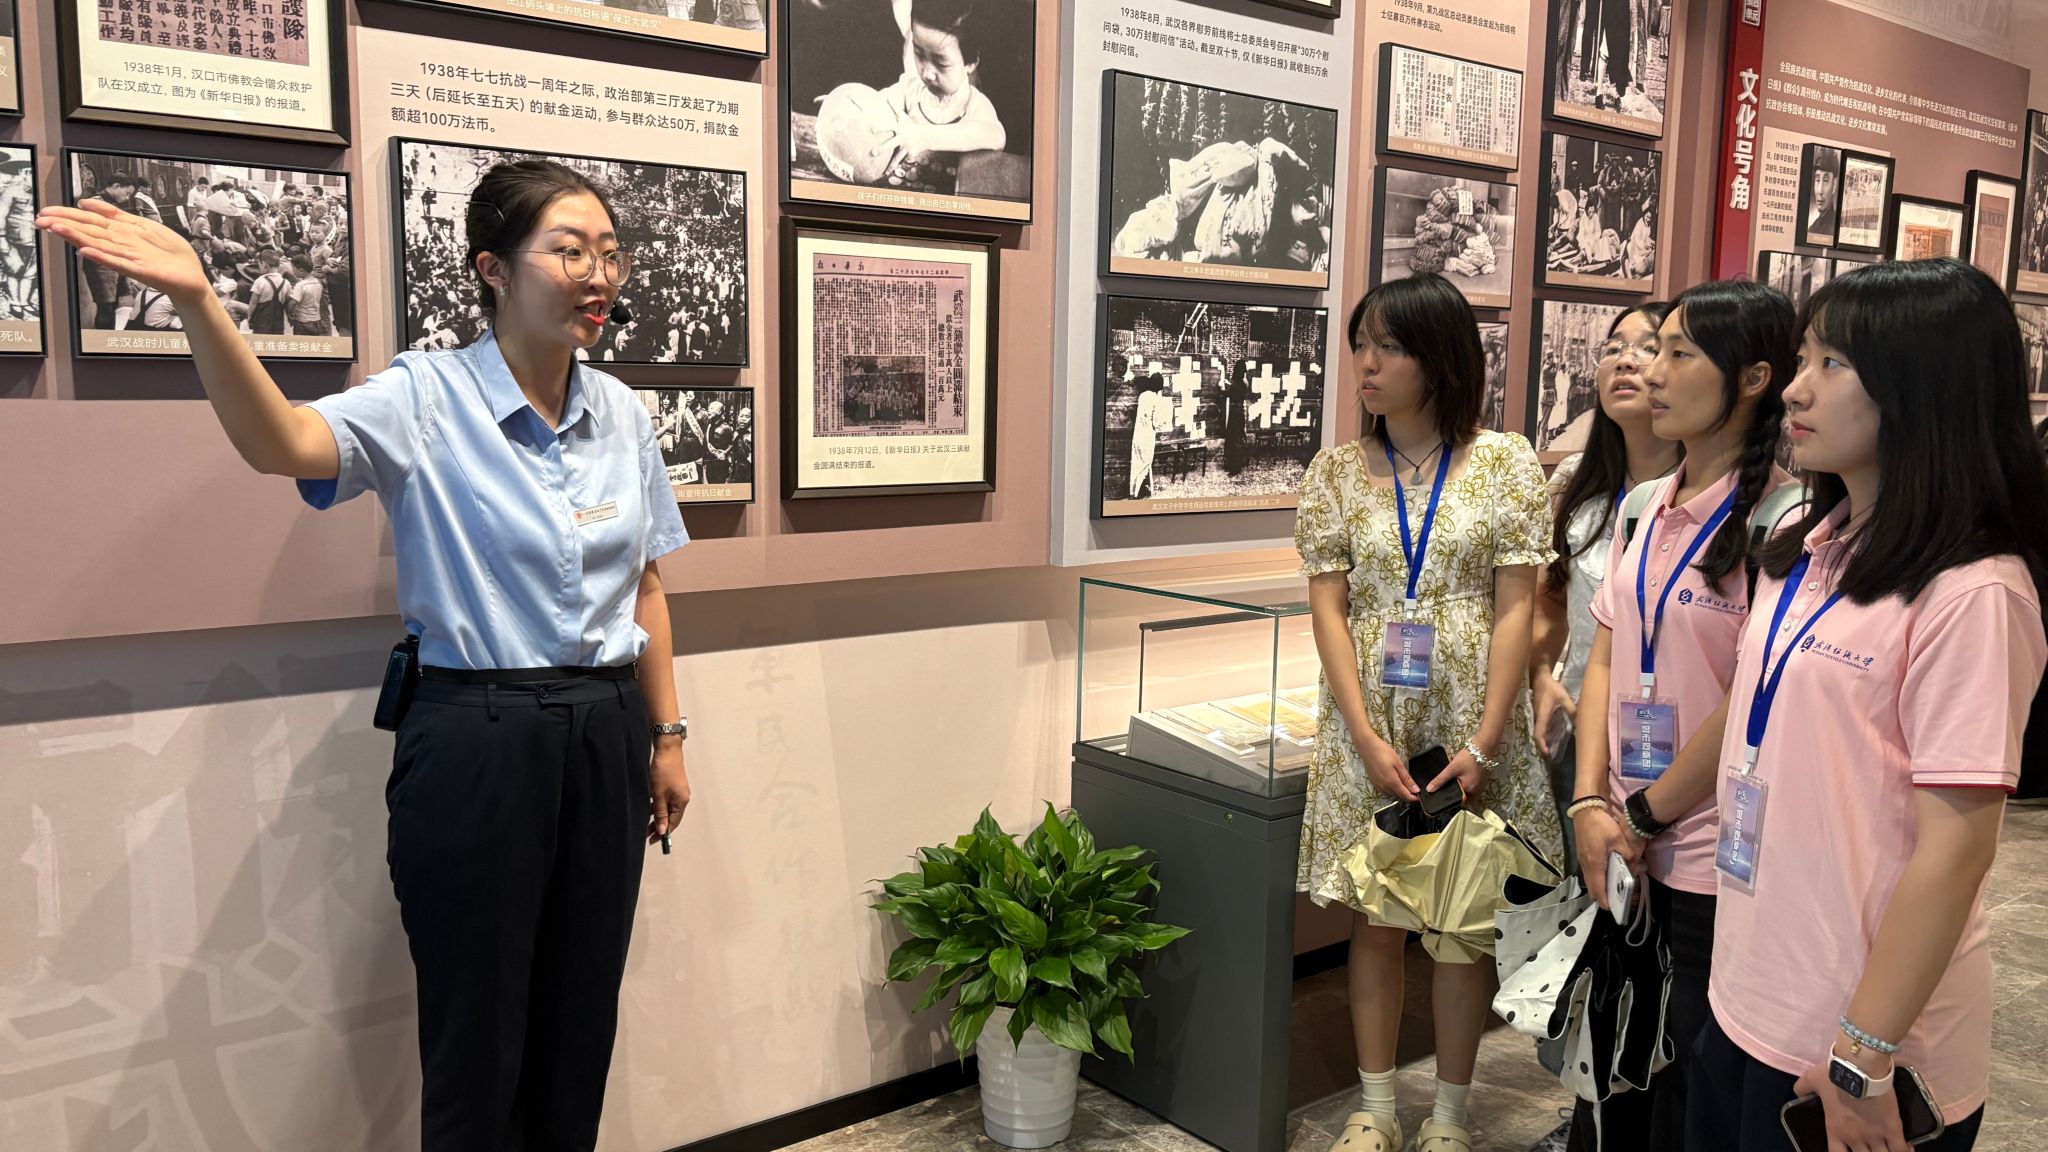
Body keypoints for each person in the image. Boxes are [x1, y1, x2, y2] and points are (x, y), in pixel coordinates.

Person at [37, 158, 694, 1152]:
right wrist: (200, 303)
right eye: (569, 251)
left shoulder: (621, 413)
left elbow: (645, 585)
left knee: (579, 1023)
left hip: (606, 729)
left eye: (610, 253)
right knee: (478, 1038)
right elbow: (284, 444)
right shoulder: (424, 395)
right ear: (493, 269)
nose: (598, 274)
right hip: (478, 738)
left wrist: (667, 736)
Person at [1689, 259, 2048, 1150]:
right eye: (1802, 359)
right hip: (1748, 995)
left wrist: (1862, 1055)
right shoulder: (1804, 546)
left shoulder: (1974, 592)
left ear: (1922, 386)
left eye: (1833, 363)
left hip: (1860, 1053)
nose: (1796, 389)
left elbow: (1956, 852)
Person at [1295, 273, 1557, 1152]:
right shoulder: (1336, 472)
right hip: (1371, 722)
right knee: (1375, 918)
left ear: (1441, 357)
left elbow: (1517, 606)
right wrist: (1364, 735)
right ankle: (1375, 1106)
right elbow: (1329, 610)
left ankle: (1448, 1116)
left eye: (1390, 346)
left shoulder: (1505, 462)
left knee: (1461, 924)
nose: (1367, 364)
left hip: (1472, 721)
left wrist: (1488, 737)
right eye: (1360, 344)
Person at [1568, 280, 1798, 1150]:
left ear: (1752, 378)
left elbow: (1751, 700)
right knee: (1614, 1073)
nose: (1652, 372)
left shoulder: (1784, 521)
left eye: (1678, 353)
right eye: (1651, 350)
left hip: (1710, 854)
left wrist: (1643, 814)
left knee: (1687, 1087)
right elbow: (1605, 654)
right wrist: (1590, 802)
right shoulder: (1642, 505)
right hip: (1620, 838)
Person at [1529, 302, 1679, 869]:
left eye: (1648, 348)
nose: (1625, 361)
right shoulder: (1577, 482)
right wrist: (1541, 675)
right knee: (1584, 891)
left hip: (1676, 740)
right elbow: (1549, 600)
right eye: (1613, 347)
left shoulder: (1710, 497)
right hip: (1579, 726)